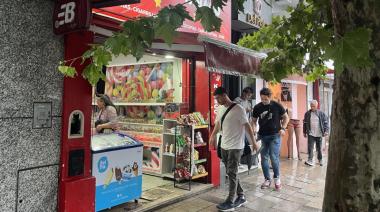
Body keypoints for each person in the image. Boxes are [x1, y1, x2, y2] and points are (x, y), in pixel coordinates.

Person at [210, 87, 259, 211]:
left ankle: (230, 201)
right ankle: (241, 196)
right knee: (231, 172)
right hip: (224, 145)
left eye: (217, 98)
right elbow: (218, 124)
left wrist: (253, 142)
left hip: (236, 146)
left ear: (224, 95)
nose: (217, 101)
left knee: (231, 172)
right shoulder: (220, 108)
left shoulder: (238, 109)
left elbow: (247, 126)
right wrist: (212, 136)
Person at [251, 87, 289, 190]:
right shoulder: (257, 107)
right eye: (262, 99)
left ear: (270, 97)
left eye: (265, 99)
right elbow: (253, 120)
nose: (263, 101)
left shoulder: (276, 105)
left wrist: (283, 128)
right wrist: (254, 129)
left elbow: (286, 117)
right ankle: (267, 179)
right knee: (264, 158)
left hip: (275, 135)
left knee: (273, 157)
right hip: (263, 136)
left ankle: (277, 179)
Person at [303, 100, 329, 166]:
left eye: (313, 106)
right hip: (311, 133)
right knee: (310, 147)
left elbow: (326, 123)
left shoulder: (321, 113)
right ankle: (310, 160)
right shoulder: (307, 114)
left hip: (319, 133)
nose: (312, 107)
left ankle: (320, 160)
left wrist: (326, 131)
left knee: (319, 148)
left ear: (317, 106)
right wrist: (304, 132)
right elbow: (305, 123)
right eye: (311, 106)